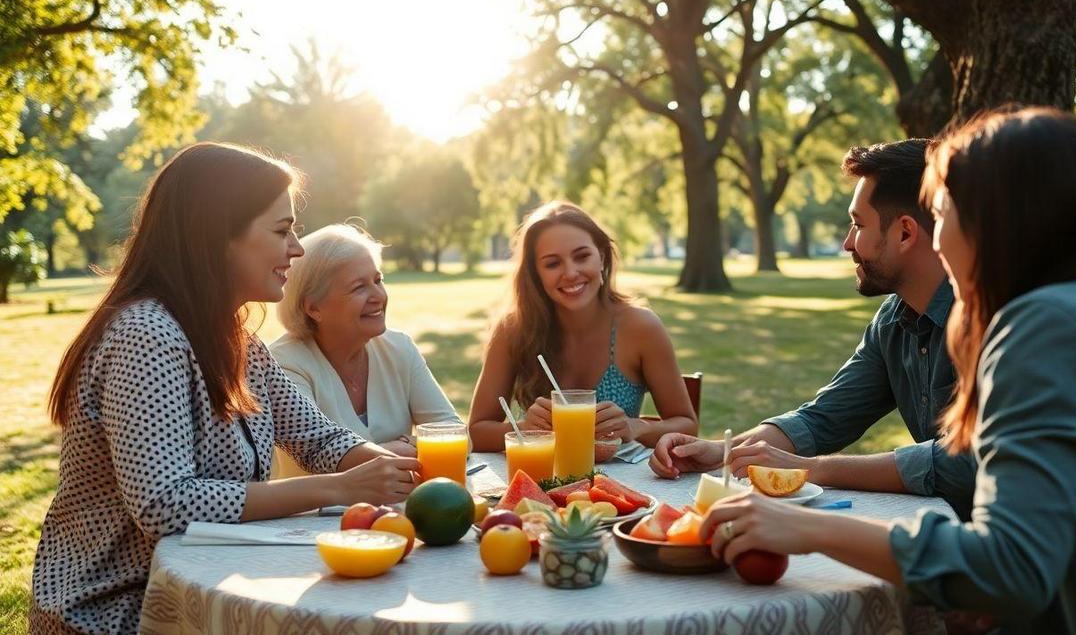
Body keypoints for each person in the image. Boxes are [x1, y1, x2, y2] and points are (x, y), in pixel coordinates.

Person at [700, 108, 1076, 631]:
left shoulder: (1051, 326)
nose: (938, 240)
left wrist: (808, 527)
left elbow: (1008, 568)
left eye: (945, 213)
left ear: (995, 221)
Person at [30, 143, 420, 634]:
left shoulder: (237, 339)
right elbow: (167, 504)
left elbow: (319, 438)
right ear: (217, 237)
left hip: (210, 587)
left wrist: (393, 467)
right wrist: (338, 488)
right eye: (282, 231)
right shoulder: (145, 336)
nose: (296, 250)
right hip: (115, 611)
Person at [651, 139, 977, 518]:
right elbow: (822, 419)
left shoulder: (990, 320)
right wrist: (720, 453)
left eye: (858, 225)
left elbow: (967, 459)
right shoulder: (893, 322)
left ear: (905, 233)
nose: (846, 243)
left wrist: (811, 469)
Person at [468, 201, 697, 452]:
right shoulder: (513, 329)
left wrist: (636, 427)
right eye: (553, 263)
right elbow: (476, 431)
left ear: (601, 256)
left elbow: (687, 425)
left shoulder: (641, 327)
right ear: (536, 274)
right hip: (539, 480)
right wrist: (522, 429)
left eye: (582, 256)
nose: (571, 272)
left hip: (621, 482)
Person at [270, 224, 462, 477]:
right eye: (358, 287)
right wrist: (395, 451)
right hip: (314, 516)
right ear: (313, 308)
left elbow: (455, 434)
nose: (378, 296)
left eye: (378, 280)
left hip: (396, 511)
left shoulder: (399, 348)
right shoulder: (283, 364)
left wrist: (402, 448)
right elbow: (315, 469)